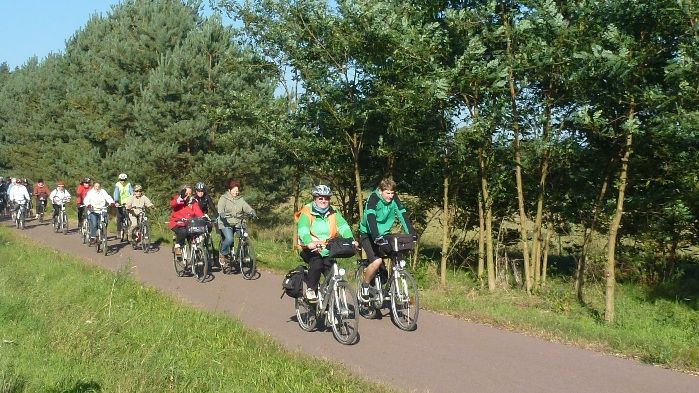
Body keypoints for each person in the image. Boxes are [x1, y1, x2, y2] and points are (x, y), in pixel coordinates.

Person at [358, 178, 417, 300]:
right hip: (368, 234)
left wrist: (411, 233)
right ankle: (365, 286)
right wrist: (375, 236)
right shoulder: (373, 199)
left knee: (397, 255)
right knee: (377, 262)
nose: (390, 196)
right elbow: (370, 218)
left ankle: (392, 286)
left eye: (392, 193)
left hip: (384, 233)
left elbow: (402, 214)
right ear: (380, 191)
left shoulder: (394, 199)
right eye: (387, 193)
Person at [296, 184, 356, 301]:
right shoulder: (307, 212)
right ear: (315, 199)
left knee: (332, 269)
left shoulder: (333, 212)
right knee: (317, 263)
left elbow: (343, 226)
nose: (324, 201)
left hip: (328, 247)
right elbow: (303, 230)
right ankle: (311, 290)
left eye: (327, 198)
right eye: (320, 198)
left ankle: (329, 300)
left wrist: (351, 240)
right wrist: (309, 242)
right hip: (310, 248)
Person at [217, 179, 255, 267]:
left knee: (244, 236)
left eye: (237, 191)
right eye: (234, 191)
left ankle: (244, 254)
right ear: (229, 190)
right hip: (226, 223)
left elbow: (246, 206)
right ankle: (223, 253)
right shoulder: (224, 198)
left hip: (238, 222)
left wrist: (251, 211)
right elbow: (220, 208)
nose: (236, 193)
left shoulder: (240, 199)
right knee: (229, 239)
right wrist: (222, 214)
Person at [168, 184, 204, 257]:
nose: (188, 195)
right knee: (183, 232)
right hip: (177, 223)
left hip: (190, 224)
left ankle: (196, 254)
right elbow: (173, 204)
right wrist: (181, 198)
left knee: (196, 235)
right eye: (186, 193)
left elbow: (198, 212)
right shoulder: (179, 200)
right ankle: (178, 246)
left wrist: (203, 218)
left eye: (190, 194)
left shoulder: (193, 202)